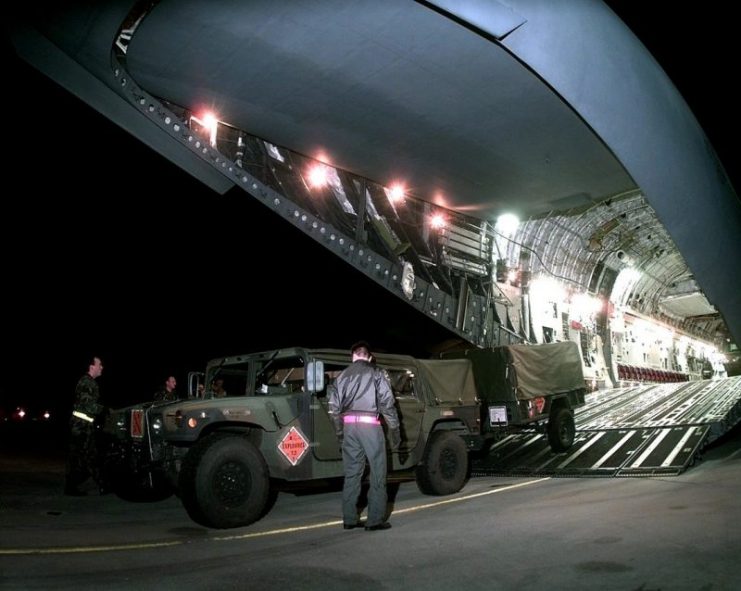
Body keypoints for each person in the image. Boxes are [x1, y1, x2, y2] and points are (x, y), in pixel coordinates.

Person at [328, 341, 401, 531]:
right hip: (370, 427)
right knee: (378, 472)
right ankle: (375, 520)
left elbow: (333, 410)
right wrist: (395, 433)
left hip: (349, 427)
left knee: (352, 473)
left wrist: (340, 434)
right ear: (369, 357)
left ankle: (349, 518)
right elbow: (387, 405)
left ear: (353, 356)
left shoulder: (341, 377)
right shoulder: (377, 373)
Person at [64, 355, 106, 496]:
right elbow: (87, 404)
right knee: (84, 456)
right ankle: (99, 484)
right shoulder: (87, 382)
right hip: (80, 426)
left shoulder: (89, 382)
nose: (102, 367)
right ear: (91, 367)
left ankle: (100, 484)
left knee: (86, 456)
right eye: (99, 364)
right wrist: (104, 410)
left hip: (83, 424)